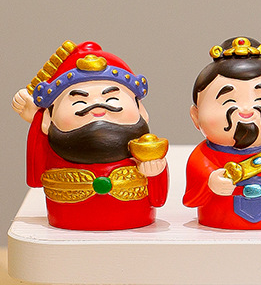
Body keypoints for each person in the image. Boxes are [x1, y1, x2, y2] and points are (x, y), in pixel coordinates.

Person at [12, 40, 168, 230]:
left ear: (141, 111)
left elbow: (158, 196)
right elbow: (40, 154)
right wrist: (35, 119)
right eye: (79, 102)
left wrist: (154, 171)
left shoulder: (145, 149)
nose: (97, 106)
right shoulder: (50, 134)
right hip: (67, 217)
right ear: (48, 118)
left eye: (111, 98)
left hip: (134, 218)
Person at [183, 36, 261, 230]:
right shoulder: (204, 156)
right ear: (196, 116)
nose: (246, 110)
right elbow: (194, 193)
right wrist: (211, 182)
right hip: (220, 218)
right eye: (228, 101)